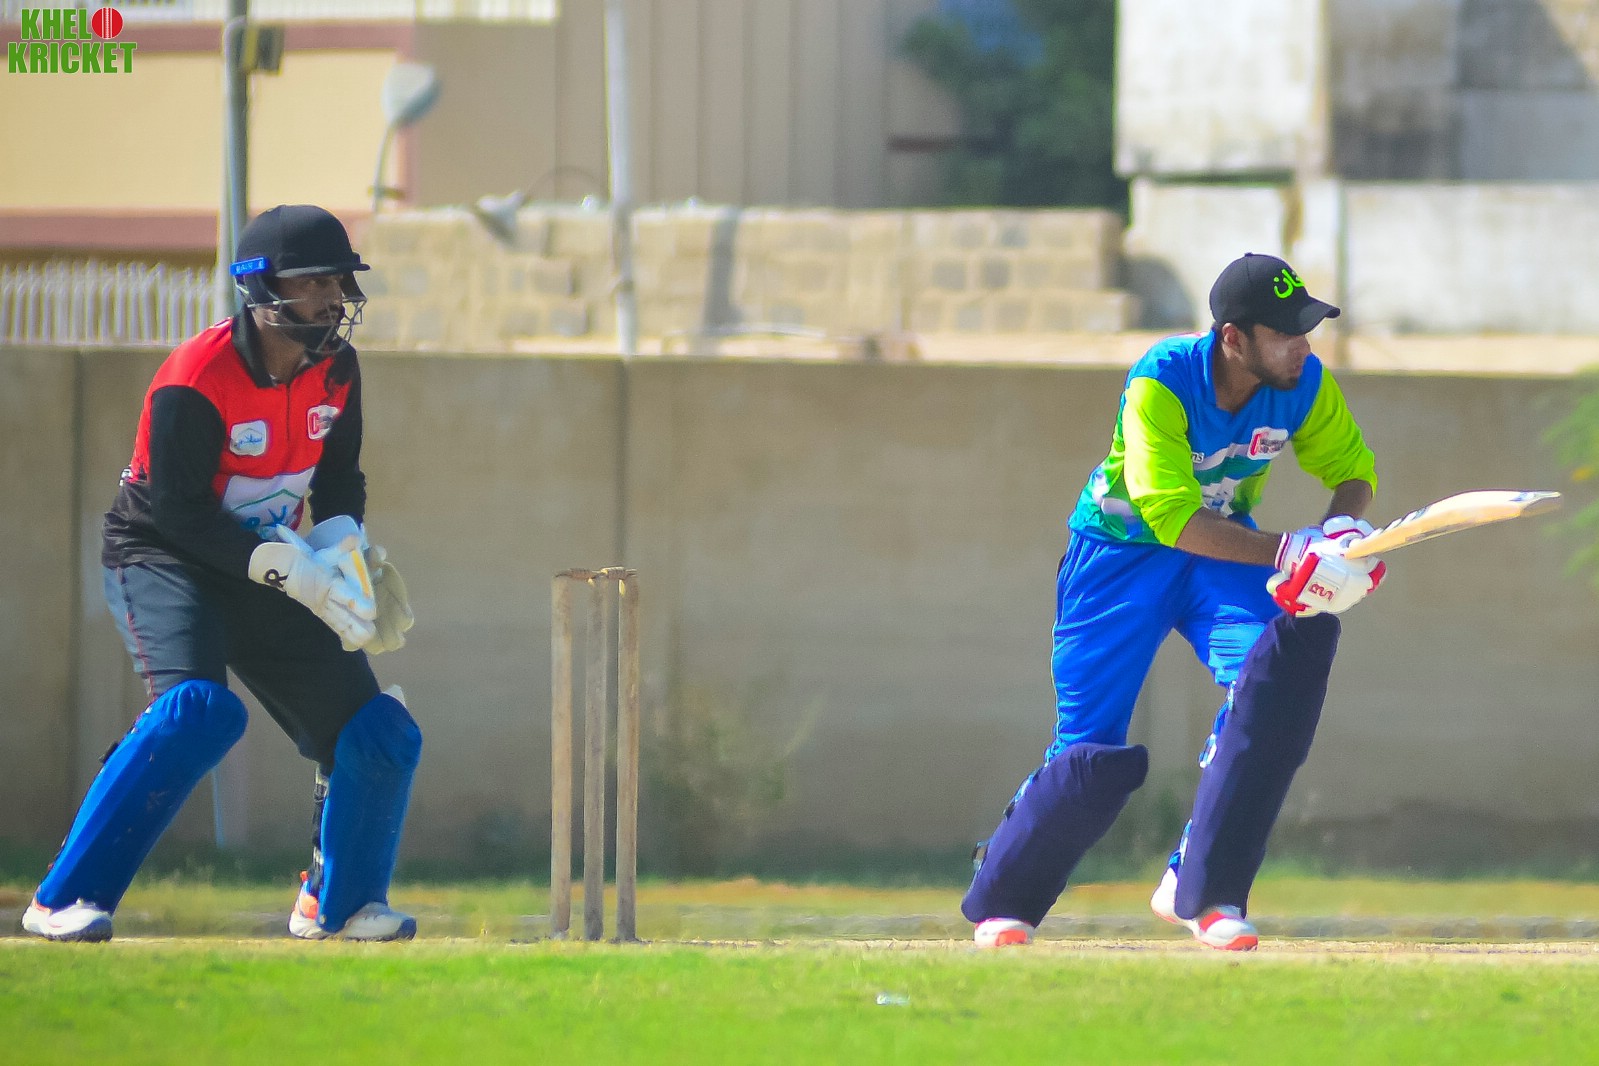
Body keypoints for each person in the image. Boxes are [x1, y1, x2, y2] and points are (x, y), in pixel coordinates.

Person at [962, 252, 1385, 951]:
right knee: (1091, 753)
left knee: (1275, 680)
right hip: (1118, 557)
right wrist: (1290, 552)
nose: (1302, 347)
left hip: (1220, 558)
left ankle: (1205, 887)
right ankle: (1004, 900)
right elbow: (1172, 519)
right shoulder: (1159, 380)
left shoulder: (1303, 382)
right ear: (1233, 339)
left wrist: (1341, 531)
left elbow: (1354, 472)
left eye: (1306, 330)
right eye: (1285, 333)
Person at [21, 205, 419, 943]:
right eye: (313, 283)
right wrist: (290, 571)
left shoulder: (338, 367)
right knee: (198, 713)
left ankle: (338, 904)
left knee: (380, 731)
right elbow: (177, 513)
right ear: (260, 288)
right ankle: (62, 899)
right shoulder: (195, 376)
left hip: (266, 564)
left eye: (338, 282)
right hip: (162, 557)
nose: (332, 299)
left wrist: (345, 553)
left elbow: (338, 478)